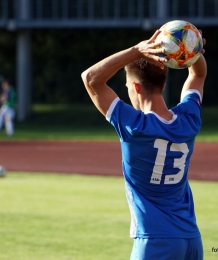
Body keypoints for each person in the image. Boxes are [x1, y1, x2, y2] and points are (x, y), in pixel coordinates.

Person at [81, 29, 207, 260]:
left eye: (128, 86)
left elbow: (90, 78)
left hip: (155, 241)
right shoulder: (189, 119)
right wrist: (191, 50)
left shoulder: (134, 126)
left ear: (136, 87)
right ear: (164, 84)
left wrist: (136, 50)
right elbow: (197, 76)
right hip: (191, 239)